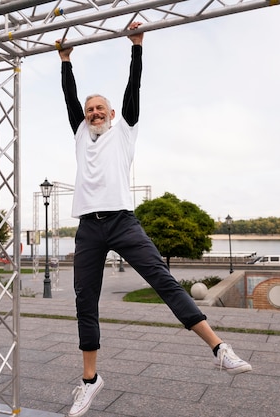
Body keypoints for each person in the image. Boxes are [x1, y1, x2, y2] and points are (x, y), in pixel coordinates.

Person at [56, 22, 252, 417]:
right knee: (84, 301)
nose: (94, 113)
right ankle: (90, 382)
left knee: (163, 281)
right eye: (89, 109)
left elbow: (134, 90)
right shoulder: (80, 133)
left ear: (111, 114)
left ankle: (219, 348)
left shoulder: (124, 130)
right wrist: (65, 62)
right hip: (89, 228)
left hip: (123, 222)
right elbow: (69, 99)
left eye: (100, 109)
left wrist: (137, 48)